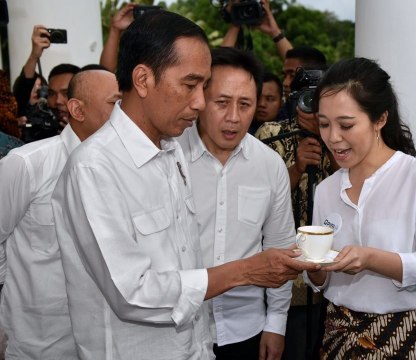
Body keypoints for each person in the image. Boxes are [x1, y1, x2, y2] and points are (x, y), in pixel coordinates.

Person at [51, 11, 318, 360]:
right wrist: (245, 270)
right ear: (143, 80)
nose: (200, 102)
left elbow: (184, 264)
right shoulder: (94, 168)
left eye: (203, 86)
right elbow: (132, 293)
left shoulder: (171, 151)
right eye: (190, 85)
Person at [305, 57, 416, 359]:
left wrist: (371, 258)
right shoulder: (326, 189)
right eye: (323, 124)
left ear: (380, 119)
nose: (333, 137)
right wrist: (313, 267)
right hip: (337, 331)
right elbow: (320, 280)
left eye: (346, 125)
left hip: (403, 332)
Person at [177, 46, 294, 360]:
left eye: (245, 105)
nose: (233, 117)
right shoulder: (170, 158)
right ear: (200, 99)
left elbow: (280, 249)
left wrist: (277, 323)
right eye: (222, 102)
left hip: (247, 330)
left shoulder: (270, 165)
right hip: (178, 329)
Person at [0, 68, 120, 359]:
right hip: (39, 341)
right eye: (115, 103)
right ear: (77, 109)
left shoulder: (126, 168)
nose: (125, 114)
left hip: (108, 342)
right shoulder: (27, 164)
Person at [254, 46, 333, 360]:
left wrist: (327, 134)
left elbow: (359, 192)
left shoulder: (343, 140)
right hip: (281, 280)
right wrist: (297, 167)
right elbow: (258, 204)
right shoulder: (271, 133)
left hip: (330, 279)